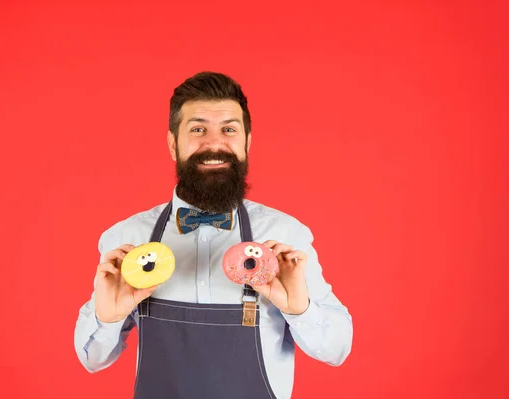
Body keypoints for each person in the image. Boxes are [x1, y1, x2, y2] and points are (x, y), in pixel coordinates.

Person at [74, 71, 353, 399]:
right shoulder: (128, 239)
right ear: (172, 143)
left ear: (247, 142)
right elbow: (92, 359)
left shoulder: (285, 236)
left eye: (229, 129)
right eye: (198, 129)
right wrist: (108, 318)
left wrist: (299, 309)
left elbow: (335, 351)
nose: (214, 143)